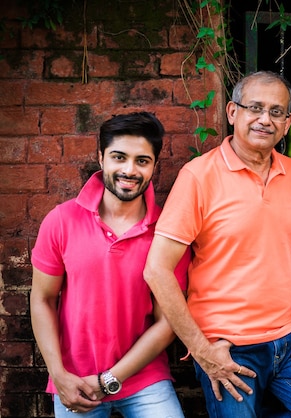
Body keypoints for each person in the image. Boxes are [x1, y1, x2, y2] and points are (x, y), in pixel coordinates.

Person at [142, 70, 291, 418]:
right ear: (232, 112)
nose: (265, 119)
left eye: (276, 112)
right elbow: (156, 270)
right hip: (227, 346)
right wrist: (201, 350)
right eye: (255, 108)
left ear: (288, 122)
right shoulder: (198, 176)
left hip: (290, 340)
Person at [30, 111, 191, 417]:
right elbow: (42, 299)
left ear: (155, 166)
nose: (129, 170)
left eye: (142, 161)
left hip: (144, 378)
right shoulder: (61, 220)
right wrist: (58, 374)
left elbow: (168, 321)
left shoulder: (167, 231)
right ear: (101, 158)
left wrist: (109, 380)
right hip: (73, 378)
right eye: (119, 157)